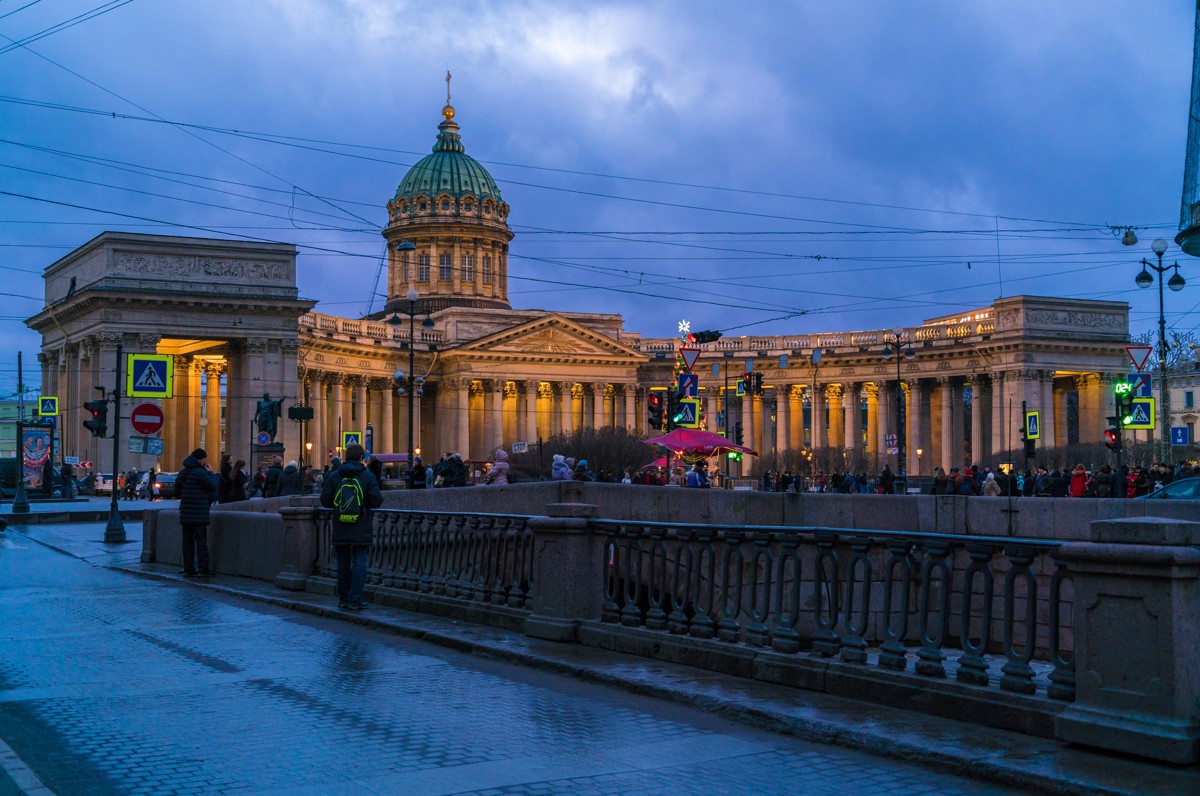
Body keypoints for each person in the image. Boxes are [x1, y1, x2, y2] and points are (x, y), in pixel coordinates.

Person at [320, 443, 382, 611]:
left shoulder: (334, 476)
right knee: (360, 562)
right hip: (361, 525)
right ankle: (355, 599)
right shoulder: (368, 476)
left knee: (342, 562)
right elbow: (376, 501)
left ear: (346, 457)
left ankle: (343, 598)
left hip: (341, 524)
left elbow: (325, 501)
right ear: (362, 458)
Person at [177, 448, 219, 578]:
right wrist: (211, 473)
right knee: (201, 542)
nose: (204, 462)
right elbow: (213, 486)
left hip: (185, 512)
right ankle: (202, 570)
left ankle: (188, 569)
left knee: (187, 542)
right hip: (199, 513)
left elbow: (177, 489)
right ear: (200, 460)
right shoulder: (201, 473)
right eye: (203, 459)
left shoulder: (183, 472)